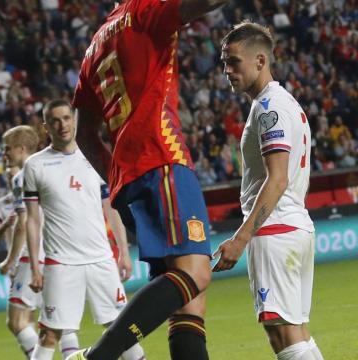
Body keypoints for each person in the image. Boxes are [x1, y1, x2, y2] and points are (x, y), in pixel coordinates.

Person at [69, 1, 231, 359]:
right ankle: (98, 356)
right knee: (196, 275)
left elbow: (84, 134)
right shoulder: (144, 9)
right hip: (162, 158)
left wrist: (116, 177)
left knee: (189, 303)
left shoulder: (93, 47)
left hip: (129, 177)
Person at [213, 21, 324, 360]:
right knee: (296, 332)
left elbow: (276, 179)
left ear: (260, 61)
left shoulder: (269, 108)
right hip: (293, 226)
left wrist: (241, 238)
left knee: (284, 336)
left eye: (234, 62)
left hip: (275, 230)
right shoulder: (282, 102)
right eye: (224, 63)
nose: (227, 71)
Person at [25, 100, 144, 360]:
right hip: (61, 262)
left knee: (120, 328)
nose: (63, 125)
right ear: (46, 127)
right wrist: (35, 265)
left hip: (101, 258)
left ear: (74, 120)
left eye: (67, 118)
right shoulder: (34, 166)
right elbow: (32, 220)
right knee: (50, 334)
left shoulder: (94, 156)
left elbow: (111, 207)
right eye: (55, 120)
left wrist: (123, 251)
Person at [0, 125, 79, 358]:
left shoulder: (21, 177)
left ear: (21, 148)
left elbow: (23, 225)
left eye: (7, 149)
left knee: (17, 321)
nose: (5, 155)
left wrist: (10, 261)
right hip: (61, 251)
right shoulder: (52, 168)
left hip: (36, 254)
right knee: (58, 319)